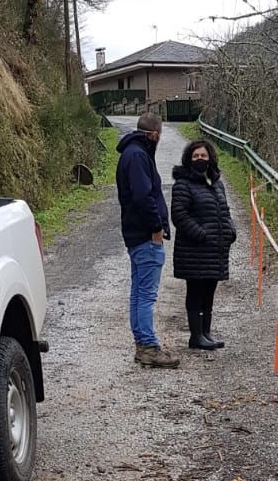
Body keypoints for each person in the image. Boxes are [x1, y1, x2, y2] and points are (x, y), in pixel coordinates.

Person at [115, 112, 179, 368]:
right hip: (144, 235)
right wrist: (156, 227)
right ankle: (148, 346)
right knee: (146, 295)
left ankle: (143, 344)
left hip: (134, 233)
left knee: (138, 292)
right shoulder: (139, 156)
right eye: (160, 135)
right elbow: (143, 196)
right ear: (154, 134)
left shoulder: (130, 153)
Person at [170, 139, 236, 350]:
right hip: (194, 250)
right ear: (189, 159)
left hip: (215, 250)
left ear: (210, 158)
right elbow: (179, 215)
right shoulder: (183, 184)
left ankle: (206, 333)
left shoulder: (217, 184)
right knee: (196, 292)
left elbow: (225, 212)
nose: (200, 159)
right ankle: (195, 336)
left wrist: (230, 231)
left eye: (203, 156)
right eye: (196, 156)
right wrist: (201, 234)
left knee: (209, 292)